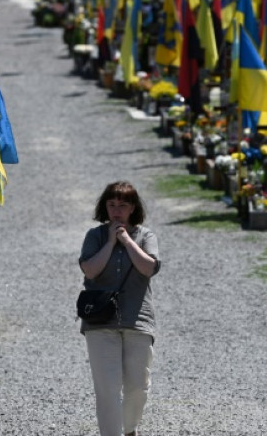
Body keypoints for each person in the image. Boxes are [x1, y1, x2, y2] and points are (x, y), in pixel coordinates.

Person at [79, 182, 161, 436]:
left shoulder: (146, 236)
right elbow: (90, 270)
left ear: (133, 208)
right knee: (107, 388)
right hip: (100, 322)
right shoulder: (95, 236)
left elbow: (148, 268)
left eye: (122, 205)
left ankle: (130, 428)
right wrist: (110, 242)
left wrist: (126, 241)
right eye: (111, 205)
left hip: (138, 320)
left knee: (138, 386)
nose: (116, 211)